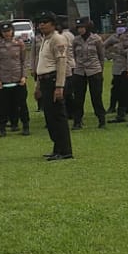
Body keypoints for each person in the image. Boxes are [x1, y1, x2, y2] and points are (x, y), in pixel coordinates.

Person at [32, 12, 74, 161]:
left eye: (45, 22)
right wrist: (38, 86)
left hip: (53, 80)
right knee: (50, 117)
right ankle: (57, 147)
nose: (41, 25)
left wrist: (59, 86)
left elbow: (61, 63)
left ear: (53, 24)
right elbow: (41, 64)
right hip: (45, 80)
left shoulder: (57, 39)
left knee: (58, 116)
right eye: (40, 22)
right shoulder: (45, 39)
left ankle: (65, 150)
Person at [0, 24, 29, 136]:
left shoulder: (19, 43)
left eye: (8, 31)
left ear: (12, 31)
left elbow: (23, 61)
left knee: (21, 104)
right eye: (4, 32)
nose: (7, 33)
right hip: (4, 79)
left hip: (18, 78)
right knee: (3, 105)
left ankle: (25, 126)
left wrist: (24, 76)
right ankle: (2, 128)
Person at [68, 18, 107, 130]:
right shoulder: (76, 40)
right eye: (78, 28)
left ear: (88, 27)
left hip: (94, 70)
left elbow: (101, 56)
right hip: (79, 71)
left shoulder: (96, 39)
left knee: (96, 97)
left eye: (82, 27)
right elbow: (74, 55)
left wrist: (100, 70)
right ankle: (77, 121)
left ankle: (101, 119)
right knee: (78, 98)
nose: (80, 30)